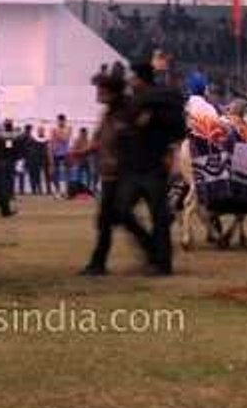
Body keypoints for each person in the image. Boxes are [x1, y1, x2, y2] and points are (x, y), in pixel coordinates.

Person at [115, 62, 186, 276]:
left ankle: (163, 263)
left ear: (141, 78)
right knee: (122, 211)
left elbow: (177, 129)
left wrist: (168, 148)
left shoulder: (159, 101)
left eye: (133, 77)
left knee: (158, 216)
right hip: (135, 166)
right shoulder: (137, 101)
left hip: (153, 165)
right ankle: (153, 251)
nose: (130, 81)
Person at [79, 74, 153, 276]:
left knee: (110, 219)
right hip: (108, 175)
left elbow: (135, 140)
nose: (98, 93)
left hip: (122, 175)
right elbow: (98, 140)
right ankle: (152, 250)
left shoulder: (125, 114)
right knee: (120, 218)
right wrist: (81, 152)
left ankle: (98, 263)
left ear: (111, 92)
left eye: (101, 89)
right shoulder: (107, 114)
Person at [49, 114, 72, 198]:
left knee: (67, 173)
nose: (61, 122)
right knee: (55, 173)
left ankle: (67, 191)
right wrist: (51, 153)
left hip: (65, 153)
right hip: (56, 153)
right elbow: (51, 142)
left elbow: (66, 139)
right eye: (59, 120)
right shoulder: (54, 129)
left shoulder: (68, 128)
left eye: (62, 120)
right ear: (58, 121)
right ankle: (58, 191)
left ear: (65, 120)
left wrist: (57, 135)